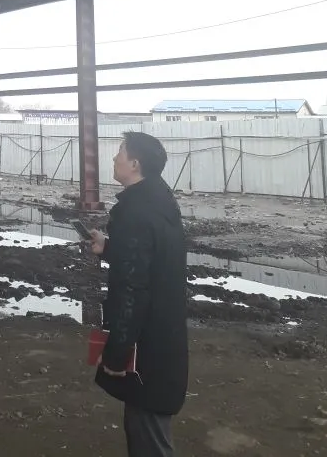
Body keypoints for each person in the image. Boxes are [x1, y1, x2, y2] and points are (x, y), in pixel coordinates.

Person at [89, 132, 188, 457]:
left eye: (120, 152)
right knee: (144, 425)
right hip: (163, 336)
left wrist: (117, 354)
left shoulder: (136, 213)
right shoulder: (159, 202)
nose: (114, 158)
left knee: (149, 434)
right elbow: (150, 260)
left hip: (149, 345)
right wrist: (111, 248)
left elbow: (133, 290)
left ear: (134, 163)